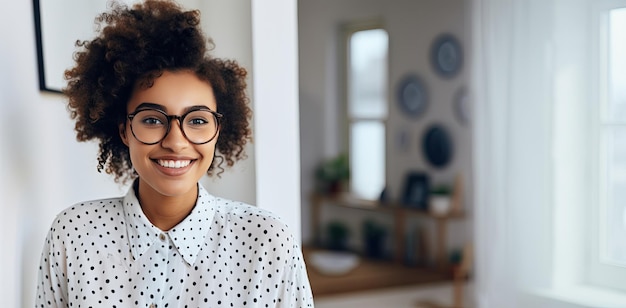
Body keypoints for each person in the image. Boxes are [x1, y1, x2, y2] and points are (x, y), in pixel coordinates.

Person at [35, 1, 314, 307]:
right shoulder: (73, 233)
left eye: (197, 120)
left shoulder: (268, 242)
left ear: (218, 130)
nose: (176, 142)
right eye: (152, 119)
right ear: (124, 130)